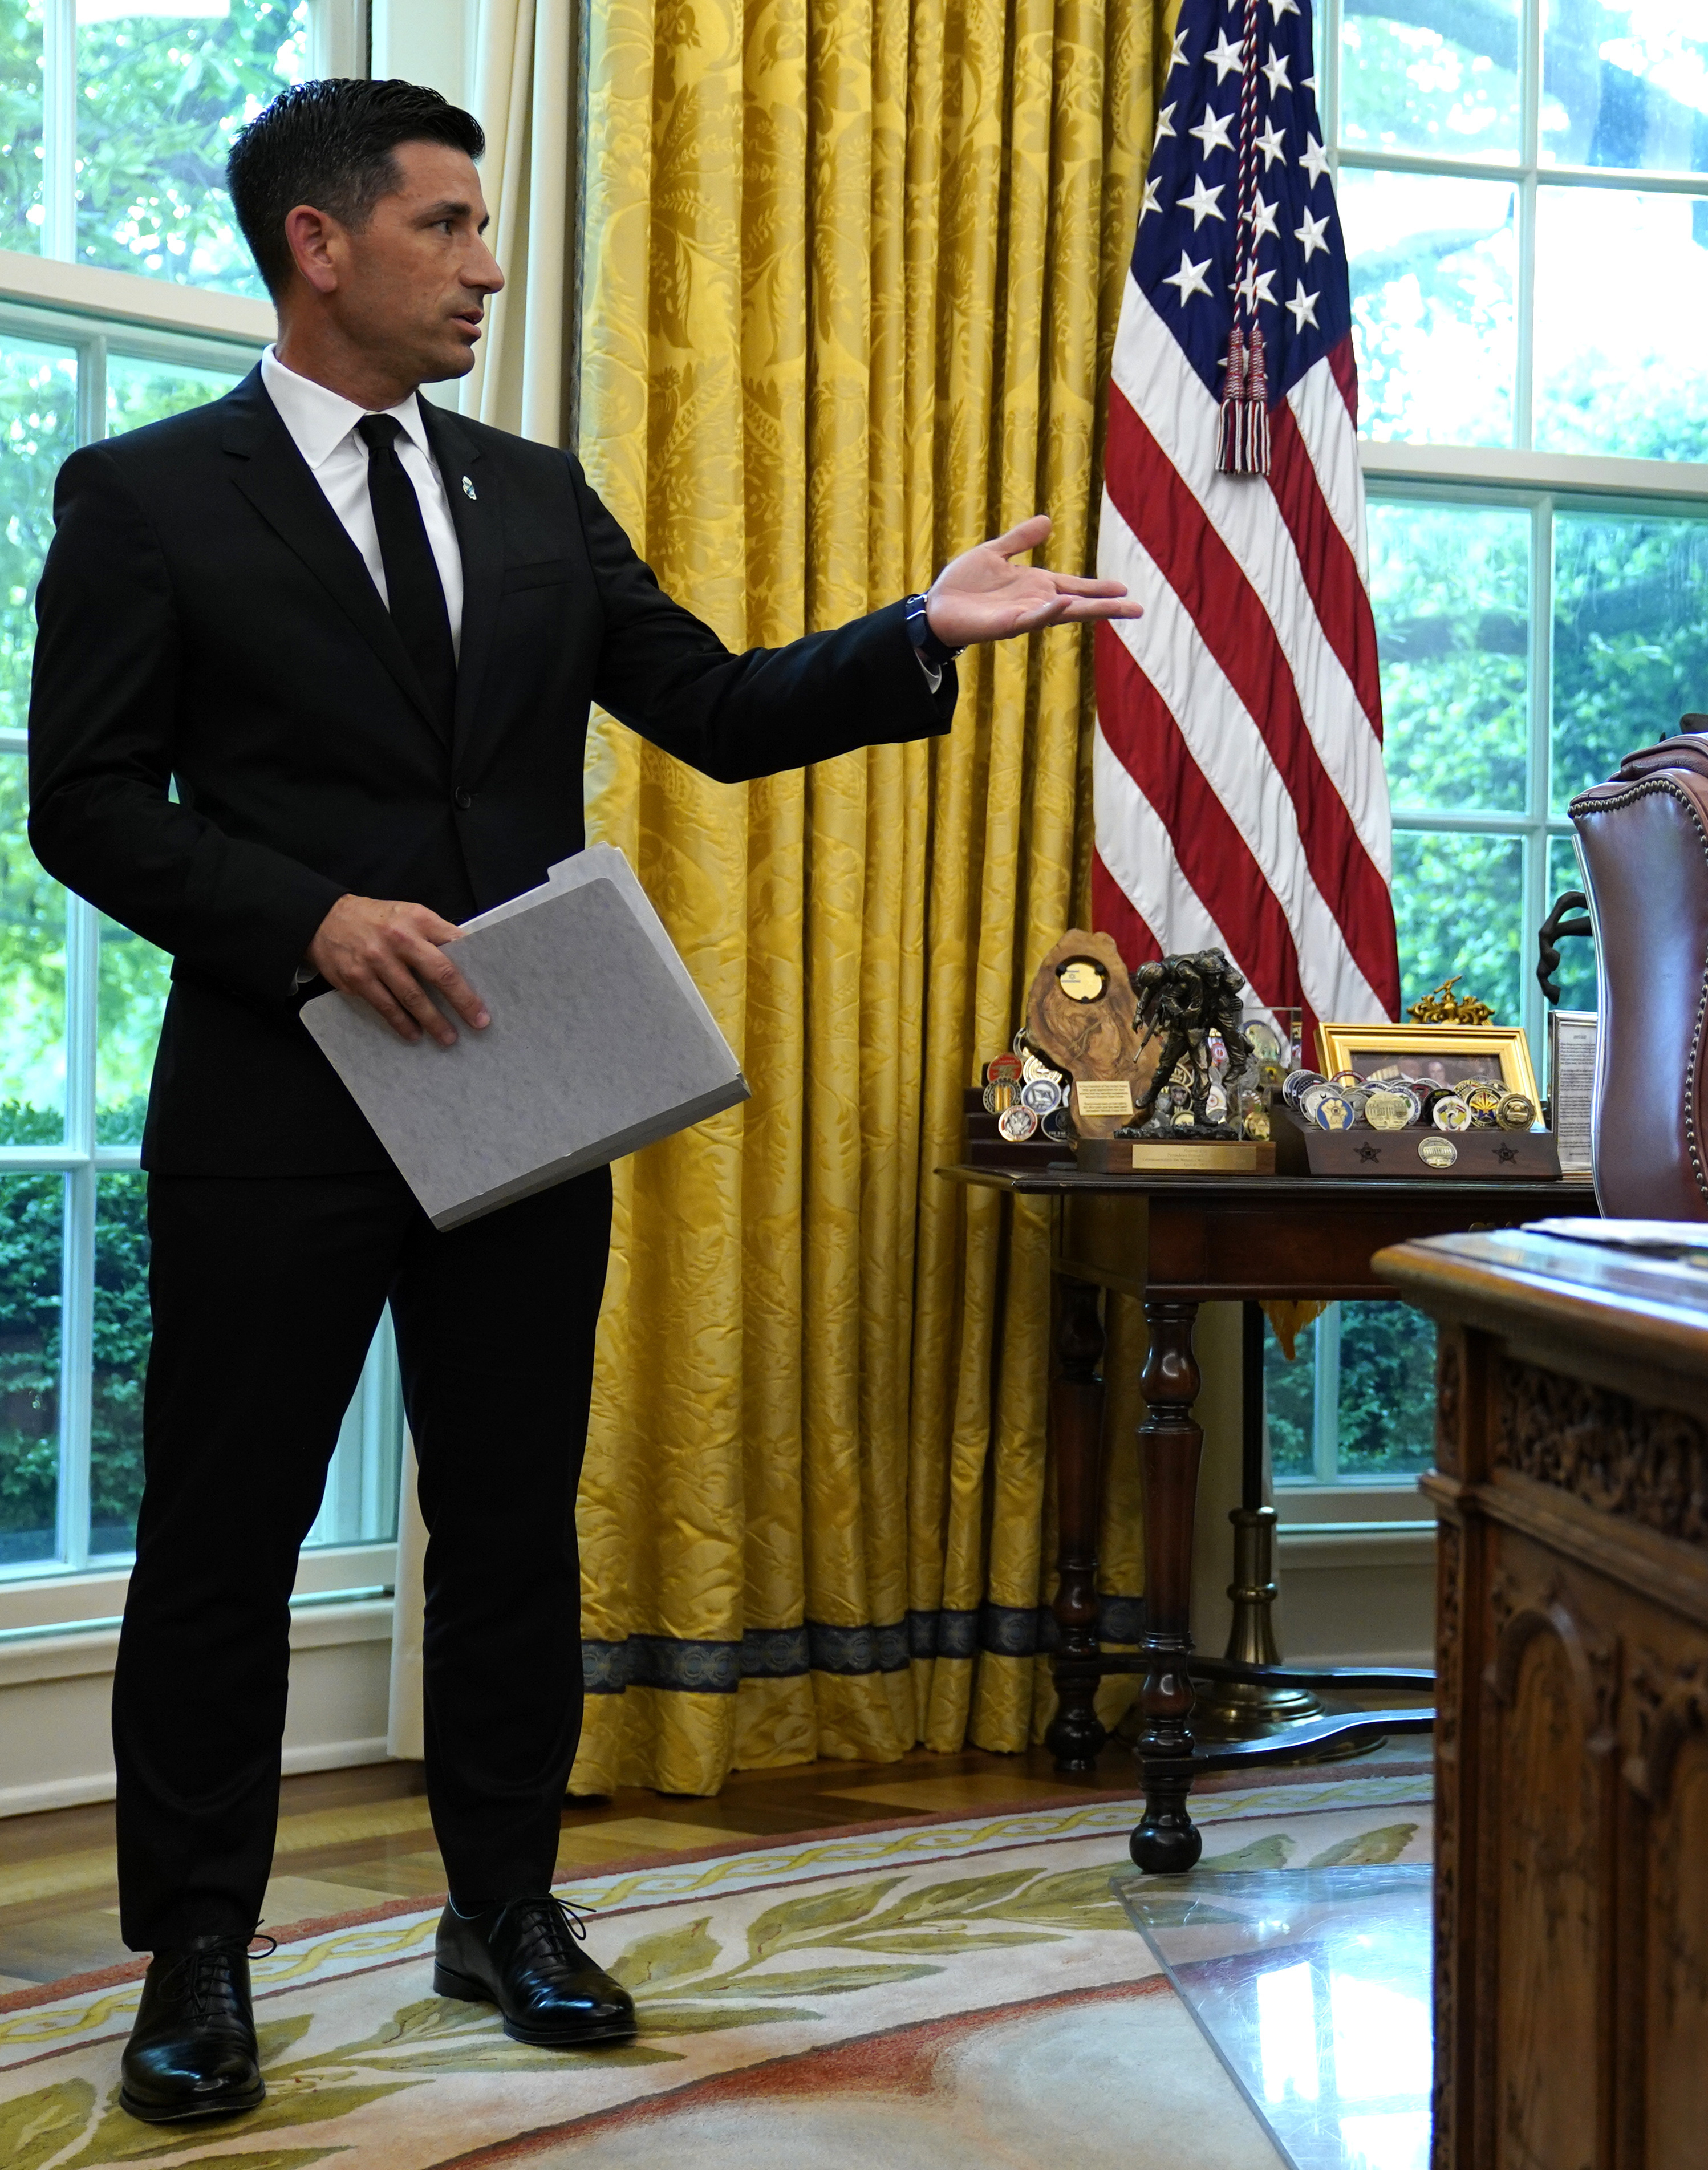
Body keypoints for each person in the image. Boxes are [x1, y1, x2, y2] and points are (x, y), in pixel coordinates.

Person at [25, 79, 1136, 2126]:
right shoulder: (143, 497)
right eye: (446, 225)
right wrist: (306, 916)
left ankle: (504, 1905)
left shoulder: (536, 497)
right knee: (221, 1538)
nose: (488, 263)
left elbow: (706, 708)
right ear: (318, 244)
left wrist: (913, 631)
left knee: (513, 1521)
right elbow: (81, 804)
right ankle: (196, 1950)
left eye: (484, 222)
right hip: (276, 1095)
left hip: (525, 1081)